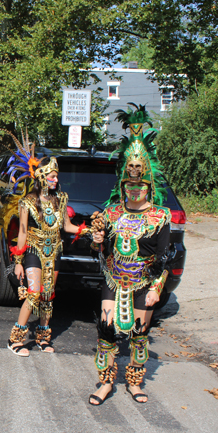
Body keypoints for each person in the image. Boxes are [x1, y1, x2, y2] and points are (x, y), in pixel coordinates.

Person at [88, 104, 171, 406]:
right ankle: (106, 382)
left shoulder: (160, 216)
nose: (135, 188)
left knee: (139, 333)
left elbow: (165, 255)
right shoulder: (110, 213)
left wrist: (157, 288)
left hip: (143, 282)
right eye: (129, 183)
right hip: (113, 278)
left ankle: (135, 382)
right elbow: (99, 248)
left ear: (149, 185)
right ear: (122, 184)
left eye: (140, 184)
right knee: (107, 332)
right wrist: (97, 239)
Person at [7, 156, 85, 356]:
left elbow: (66, 226)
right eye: (52, 177)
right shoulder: (27, 202)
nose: (55, 181)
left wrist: (87, 231)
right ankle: (15, 339)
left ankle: (43, 337)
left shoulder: (61, 199)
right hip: (34, 249)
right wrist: (18, 262)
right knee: (33, 294)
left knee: (47, 295)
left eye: (56, 177)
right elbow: (22, 233)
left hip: (55, 251)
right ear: (41, 177)